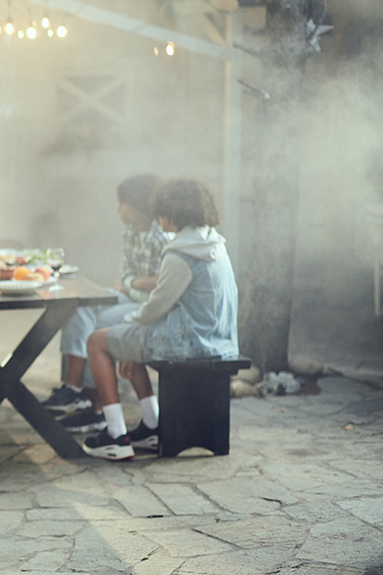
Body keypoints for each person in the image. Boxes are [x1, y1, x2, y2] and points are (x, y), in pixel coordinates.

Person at [81, 178, 239, 460]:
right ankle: (152, 426)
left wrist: (128, 325)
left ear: (173, 214)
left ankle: (116, 436)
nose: (159, 217)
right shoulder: (214, 244)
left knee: (97, 342)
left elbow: (155, 308)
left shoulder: (181, 255)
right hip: (219, 340)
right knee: (127, 339)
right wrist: (131, 337)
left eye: (162, 211)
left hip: (189, 343)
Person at [41, 174, 170, 432]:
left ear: (140, 205)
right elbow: (125, 275)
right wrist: (135, 282)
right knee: (80, 306)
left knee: (98, 327)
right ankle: (74, 389)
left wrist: (133, 283)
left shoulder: (162, 237)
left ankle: (97, 408)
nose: (118, 209)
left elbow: (162, 283)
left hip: (151, 304)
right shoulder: (130, 232)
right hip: (131, 295)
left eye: (123, 203)